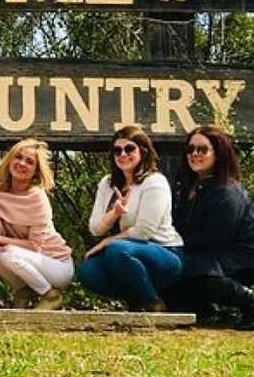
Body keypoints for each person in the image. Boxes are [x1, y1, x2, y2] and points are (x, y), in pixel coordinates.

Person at [164, 125, 254, 330]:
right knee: (168, 272)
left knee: (188, 269)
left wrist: (173, 245)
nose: (195, 154)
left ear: (219, 153)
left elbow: (217, 236)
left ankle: (253, 301)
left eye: (202, 149)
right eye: (190, 149)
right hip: (207, 251)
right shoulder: (187, 186)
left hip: (242, 254)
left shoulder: (227, 190)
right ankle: (205, 312)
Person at [78, 125, 184, 311]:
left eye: (129, 149)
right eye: (117, 150)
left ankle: (153, 302)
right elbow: (95, 228)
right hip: (126, 254)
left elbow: (143, 232)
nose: (123, 154)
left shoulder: (155, 182)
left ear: (143, 151)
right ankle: (136, 297)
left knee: (116, 250)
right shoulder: (108, 183)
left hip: (165, 254)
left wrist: (107, 241)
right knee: (88, 271)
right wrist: (114, 214)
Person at [0, 139, 73, 310]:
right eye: (18, 157)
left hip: (56, 265)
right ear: (10, 160)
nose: (22, 163)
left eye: (29, 162)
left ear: (35, 171)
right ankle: (23, 291)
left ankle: (50, 296)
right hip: (23, 258)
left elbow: (35, 245)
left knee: (6, 252)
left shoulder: (37, 197)